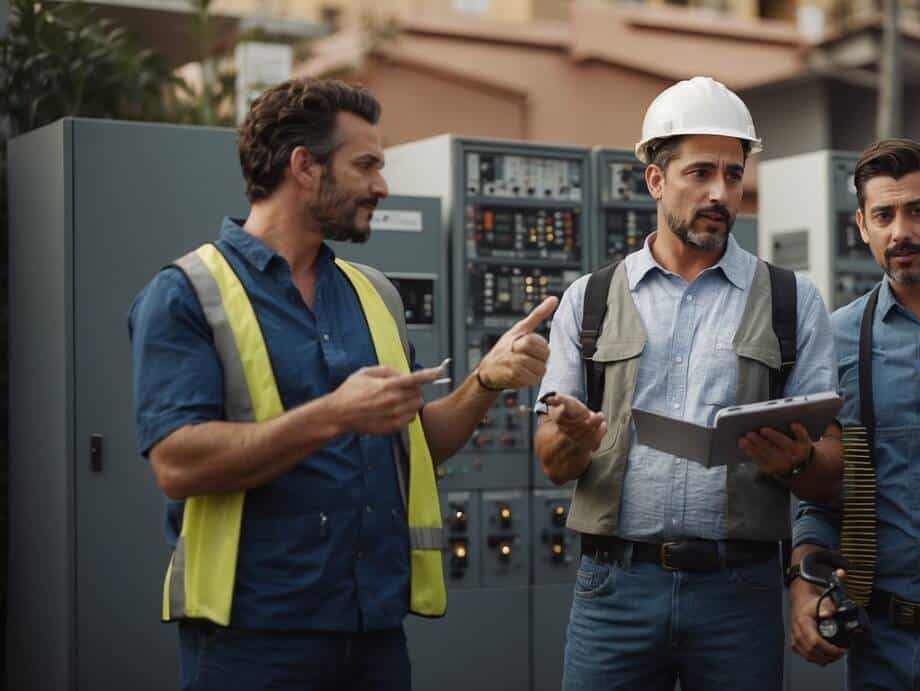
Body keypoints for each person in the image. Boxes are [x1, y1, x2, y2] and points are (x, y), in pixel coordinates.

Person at [129, 78, 555, 691]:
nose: (383, 185)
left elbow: (414, 449)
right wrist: (333, 414)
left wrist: (485, 379)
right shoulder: (187, 294)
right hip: (253, 642)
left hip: (374, 634)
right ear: (304, 167)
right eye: (367, 165)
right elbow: (176, 464)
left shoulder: (373, 294)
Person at [532, 76, 841, 690]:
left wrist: (798, 458)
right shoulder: (589, 300)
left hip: (738, 595)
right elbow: (552, 463)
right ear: (655, 179)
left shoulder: (791, 301)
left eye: (732, 174)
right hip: (614, 591)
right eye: (699, 173)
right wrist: (573, 437)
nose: (720, 192)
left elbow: (830, 467)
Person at [789, 139, 920, 689]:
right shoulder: (837, 335)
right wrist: (805, 576)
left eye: (917, 211)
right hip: (881, 644)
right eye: (884, 215)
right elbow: (823, 488)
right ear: (861, 226)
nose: (901, 231)